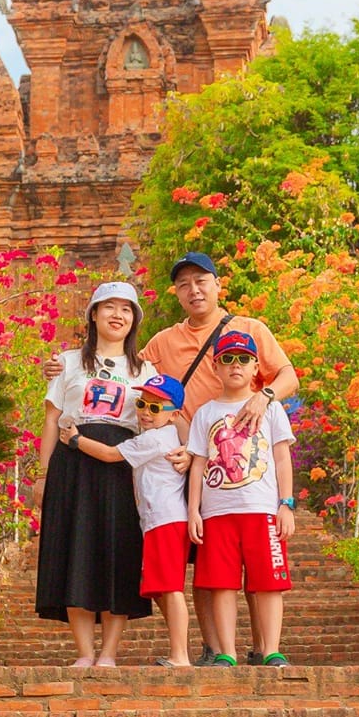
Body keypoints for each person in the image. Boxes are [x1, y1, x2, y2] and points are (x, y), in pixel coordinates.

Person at [140, 252, 299, 663]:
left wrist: (264, 397)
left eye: (201, 281)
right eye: (184, 284)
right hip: (193, 463)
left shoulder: (250, 329)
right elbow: (134, 376)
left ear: (217, 284)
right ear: (176, 293)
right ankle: (216, 648)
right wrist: (67, 368)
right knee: (208, 565)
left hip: (250, 473)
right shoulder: (164, 341)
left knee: (258, 567)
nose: (194, 290)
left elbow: (289, 376)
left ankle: (265, 648)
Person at [30, 281, 152, 668]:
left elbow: (158, 420)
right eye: (109, 307)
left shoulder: (144, 370)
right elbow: (52, 419)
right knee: (75, 549)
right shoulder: (67, 362)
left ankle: (109, 653)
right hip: (72, 462)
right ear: (94, 314)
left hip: (121, 465)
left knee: (119, 551)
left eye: (126, 309)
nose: (118, 315)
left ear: (134, 320)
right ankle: (84, 652)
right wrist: (42, 475)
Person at [60, 374, 193, 667]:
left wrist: (76, 440)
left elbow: (110, 454)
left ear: (174, 415)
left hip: (166, 521)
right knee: (160, 588)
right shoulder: (163, 437)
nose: (145, 412)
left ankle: (181, 655)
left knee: (171, 589)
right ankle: (179, 651)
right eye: (142, 404)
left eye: (155, 408)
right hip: (157, 522)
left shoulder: (155, 439)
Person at [186, 329, 296, 666]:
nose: (236, 365)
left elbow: (282, 458)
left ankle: (271, 649)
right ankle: (227, 652)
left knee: (268, 583)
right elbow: (198, 464)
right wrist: (193, 510)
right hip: (217, 513)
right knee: (221, 585)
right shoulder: (205, 413)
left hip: (262, 510)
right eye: (228, 359)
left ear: (255, 367)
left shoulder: (272, 410)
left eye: (244, 359)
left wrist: (286, 504)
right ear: (215, 367)